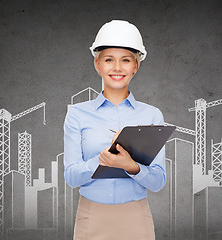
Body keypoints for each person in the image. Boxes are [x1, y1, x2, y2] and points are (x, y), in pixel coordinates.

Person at [63, 20, 166, 240]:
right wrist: (103, 160)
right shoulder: (77, 114)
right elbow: (71, 177)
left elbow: (158, 181)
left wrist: (132, 167)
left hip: (136, 217)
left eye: (126, 60)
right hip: (91, 217)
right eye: (109, 60)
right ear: (97, 64)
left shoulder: (152, 115)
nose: (117, 68)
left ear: (135, 66)